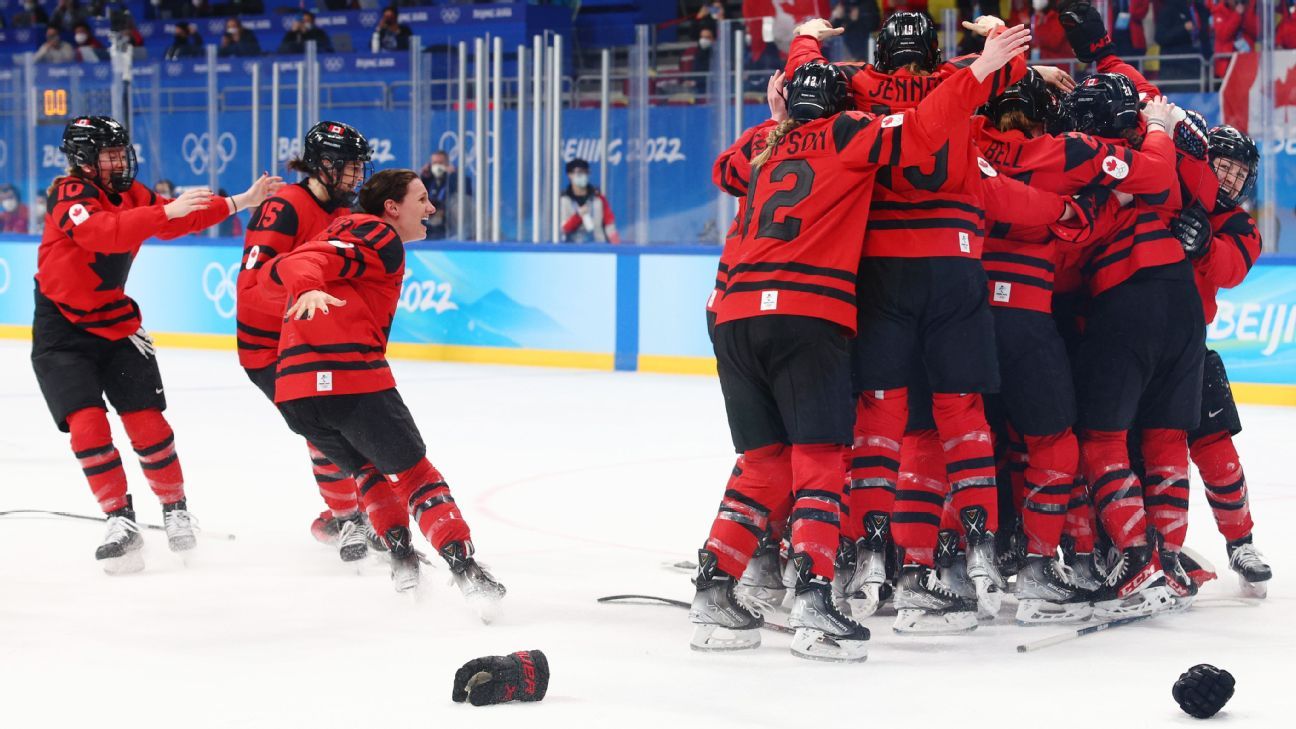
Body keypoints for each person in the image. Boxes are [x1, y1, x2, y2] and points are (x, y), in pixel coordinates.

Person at [690, 27, 1033, 661]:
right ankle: (816, 600)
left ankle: (716, 586)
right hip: (809, 311)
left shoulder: (764, 144)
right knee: (821, 459)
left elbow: (724, 170)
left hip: (732, 315)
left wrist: (786, 90)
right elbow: (925, 128)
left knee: (762, 463)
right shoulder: (853, 132)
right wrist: (982, 67)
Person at [973, 68, 1180, 623]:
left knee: (962, 444)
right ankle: (1042, 567)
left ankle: (947, 563)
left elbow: (895, 93)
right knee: (1056, 446)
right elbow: (1159, 177)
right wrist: (1156, 126)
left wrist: (1012, 66)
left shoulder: (965, 135)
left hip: (958, 315)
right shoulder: (1070, 150)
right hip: (1025, 313)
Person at [32, 115, 281, 573]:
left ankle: (175, 507)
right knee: (88, 427)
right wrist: (165, 211)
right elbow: (101, 232)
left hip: (116, 322)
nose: (119, 161)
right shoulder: (67, 194)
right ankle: (119, 520)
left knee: (147, 424)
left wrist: (241, 201)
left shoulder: (134, 193)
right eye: (109, 154)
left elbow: (176, 218)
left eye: (121, 152)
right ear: (84, 160)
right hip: (61, 331)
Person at [254, 169, 507, 618]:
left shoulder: (341, 228)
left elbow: (277, 269)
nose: (431, 208)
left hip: (294, 392)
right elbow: (298, 266)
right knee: (415, 475)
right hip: (349, 378)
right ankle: (468, 573)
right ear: (392, 207)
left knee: (367, 470)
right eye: (422, 199)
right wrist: (310, 285)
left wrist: (308, 282)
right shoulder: (377, 234)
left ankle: (403, 560)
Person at [238, 121, 376, 562]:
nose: (357, 178)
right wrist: (301, 288)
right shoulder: (285, 206)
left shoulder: (341, 213)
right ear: (322, 165)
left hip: (308, 343)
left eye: (360, 168)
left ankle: (341, 515)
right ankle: (349, 518)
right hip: (268, 347)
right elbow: (252, 283)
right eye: (349, 168)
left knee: (340, 426)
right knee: (323, 428)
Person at [1170, 125, 1272, 598]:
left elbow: (1230, 269)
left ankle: (1241, 541)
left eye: (1238, 172)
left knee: (1215, 450)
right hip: (1124, 343)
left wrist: (1204, 244)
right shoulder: (1167, 192)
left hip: (1188, 348)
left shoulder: (1240, 225)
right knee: (1146, 457)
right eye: (1223, 167)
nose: (1230, 179)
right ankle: (1145, 548)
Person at [559, 159, 620, 244]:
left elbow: (610, 225)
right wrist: (578, 216)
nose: (583, 175)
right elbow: (563, 229)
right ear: (570, 175)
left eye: (586, 172)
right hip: (571, 249)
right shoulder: (563, 201)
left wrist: (617, 246)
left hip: (597, 248)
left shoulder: (599, 199)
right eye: (579, 172)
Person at [418, 150, 471, 240]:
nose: (437, 166)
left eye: (441, 163)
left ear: (447, 164)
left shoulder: (457, 179)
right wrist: (422, 176)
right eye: (434, 163)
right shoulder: (428, 180)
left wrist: (453, 175)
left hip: (448, 228)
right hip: (428, 227)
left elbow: (465, 193)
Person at [1207, 0, 1258, 78]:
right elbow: (1223, 35)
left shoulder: (1247, 9)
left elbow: (1256, 32)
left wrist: (1247, 13)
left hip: (1246, 62)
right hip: (1227, 64)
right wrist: (1237, 15)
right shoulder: (1219, 11)